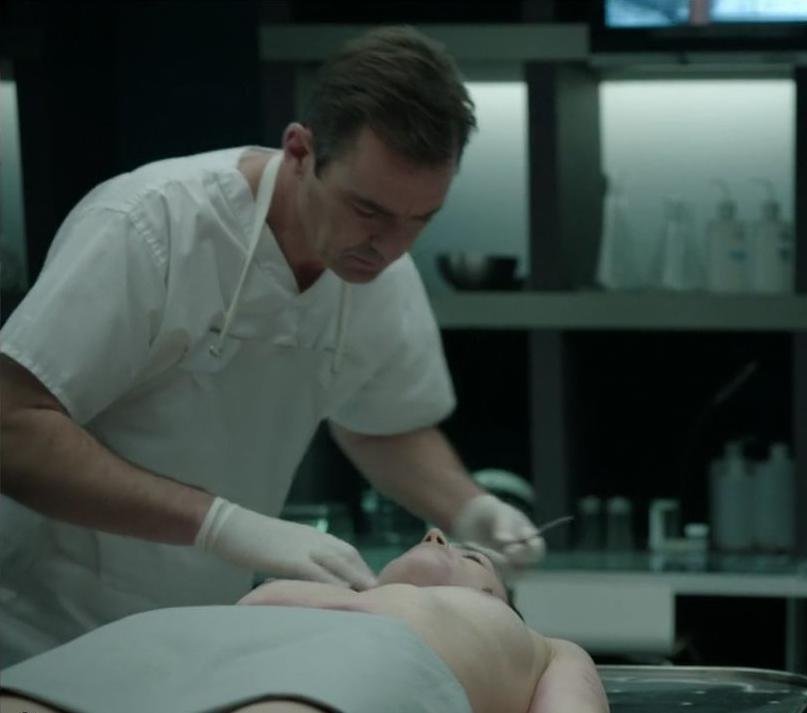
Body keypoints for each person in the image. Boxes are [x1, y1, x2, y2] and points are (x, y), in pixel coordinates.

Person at [0, 25, 544, 666]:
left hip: (196, 639)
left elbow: (383, 426)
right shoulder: (151, 226)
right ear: (300, 151)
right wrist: (223, 524)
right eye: (368, 210)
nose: (391, 246)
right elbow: (12, 426)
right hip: (41, 632)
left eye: (420, 220)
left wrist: (469, 507)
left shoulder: (379, 271)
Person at [0, 528, 609, 713]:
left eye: (473, 557)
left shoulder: (542, 647)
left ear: (499, 600)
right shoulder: (320, 590)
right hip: (155, 646)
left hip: (348, 676)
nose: (435, 534)